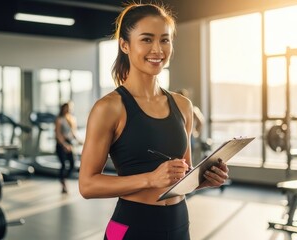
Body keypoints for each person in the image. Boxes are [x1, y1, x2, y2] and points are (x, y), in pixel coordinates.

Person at [79, 3, 229, 239]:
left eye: (165, 40)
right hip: (129, 226)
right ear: (125, 45)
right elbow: (87, 186)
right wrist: (150, 179)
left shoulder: (182, 105)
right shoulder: (109, 108)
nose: (158, 49)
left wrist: (204, 180)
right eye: (147, 40)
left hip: (178, 224)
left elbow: (182, 177)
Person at [55, 101, 81, 194]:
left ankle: (63, 179)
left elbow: (73, 132)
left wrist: (79, 140)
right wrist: (64, 145)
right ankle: (63, 184)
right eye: (67, 107)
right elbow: (58, 134)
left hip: (70, 143)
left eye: (70, 107)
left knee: (72, 164)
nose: (69, 109)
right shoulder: (59, 119)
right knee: (63, 165)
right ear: (63, 108)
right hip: (61, 144)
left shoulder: (72, 119)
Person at [177, 89, 206, 161]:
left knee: (188, 158)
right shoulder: (175, 108)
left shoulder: (192, 108)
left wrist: (196, 132)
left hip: (190, 136)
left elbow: (201, 121)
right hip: (180, 136)